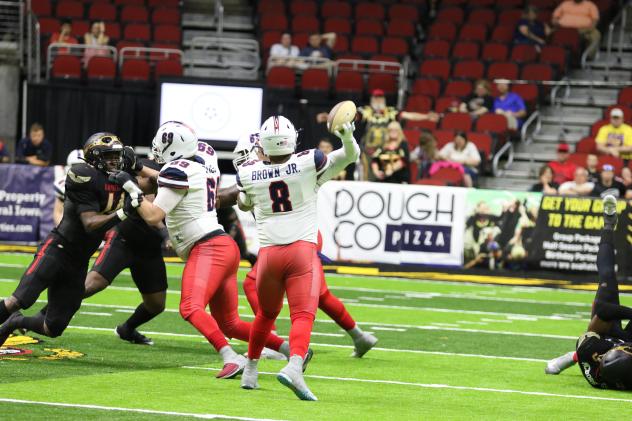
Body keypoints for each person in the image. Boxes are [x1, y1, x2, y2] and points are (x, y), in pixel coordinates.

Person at [127, 121, 294, 379]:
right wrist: (136, 169)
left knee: (190, 307)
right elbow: (159, 179)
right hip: (222, 245)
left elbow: (152, 216)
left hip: (208, 247)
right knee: (230, 324)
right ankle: (289, 348)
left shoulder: (178, 169)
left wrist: (130, 190)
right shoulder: (197, 165)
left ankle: (230, 357)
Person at [236, 116, 360, 400]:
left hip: (267, 255)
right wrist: (347, 136)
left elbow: (244, 203)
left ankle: (251, 371)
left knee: (266, 314)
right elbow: (350, 156)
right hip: (301, 252)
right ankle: (294, 366)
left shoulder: (248, 171)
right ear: (292, 139)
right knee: (303, 314)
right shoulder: (309, 162)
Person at [0, 133, 139, 347]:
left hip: (79, 260)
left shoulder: (119, 175)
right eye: (109, 155)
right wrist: (122, 213)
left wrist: (137, 175)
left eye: (117, 155)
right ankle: (11, 314)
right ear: (94, 157)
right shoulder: (82, 173)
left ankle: (13, 323)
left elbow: (152, 181)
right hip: (58, 248)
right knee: (19, 300)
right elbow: (90, 222)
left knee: (53, 327)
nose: (115, 160)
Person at [47, 152, 171, 345]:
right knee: (91, 285)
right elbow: (147, 208)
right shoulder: (147, 168)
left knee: (156, 304)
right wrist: (165, 234)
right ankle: (44, 313)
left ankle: (127, 329)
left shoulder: (178, 174)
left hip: (150, 249)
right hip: (125, 239)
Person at [545, 196, 632, 391]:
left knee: (607, 276)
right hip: (622, 343)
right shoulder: (626, 374)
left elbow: (602, 310)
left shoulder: (591, 350)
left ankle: (608, 224)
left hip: (603, 336)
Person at [53, 149, 85, 226]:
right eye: (75, 166)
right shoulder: (63, 185)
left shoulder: (98, 182)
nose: (79, 170)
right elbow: (58, 212)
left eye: (82, 166)